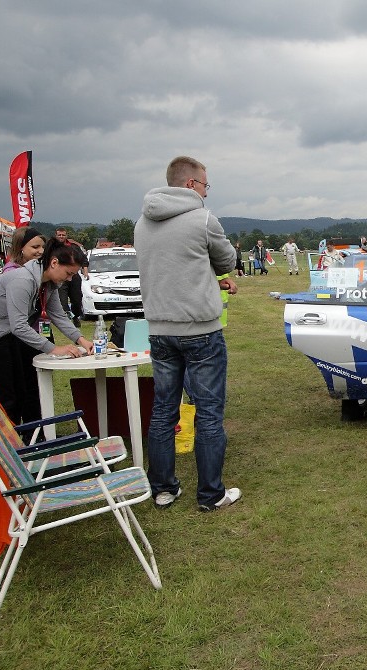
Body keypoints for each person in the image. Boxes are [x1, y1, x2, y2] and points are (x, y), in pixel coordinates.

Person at [133, 155, 240, 512]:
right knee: (208, 412)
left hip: (160, 329)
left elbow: (169, 266)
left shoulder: (141, 223)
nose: (207, 192)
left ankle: (163, 489)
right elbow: (227, 261)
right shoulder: (203, 219)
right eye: (206, 185)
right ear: (192, 184)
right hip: (201, 330)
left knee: (164, 410)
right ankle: (210, 494)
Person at [0, 241, 93, 425]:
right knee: (5, 397)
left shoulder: (49, 284)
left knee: (21, 391)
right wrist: (54, 349)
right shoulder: (22, 280)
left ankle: (20, 436)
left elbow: (58, 315)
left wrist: (81, 340)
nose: (70, 279)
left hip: (6, 336)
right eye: (68, 273)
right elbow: (19, 326)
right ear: (54, 263)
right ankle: (5, 440)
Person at [53, 227, 87, 326]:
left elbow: (82, 258)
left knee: (77, 300)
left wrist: (85, 269)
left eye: (63, 235)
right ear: (56, 236)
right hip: (60, 278)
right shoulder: (52, 247)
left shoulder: (73, 247)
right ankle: (67, 321)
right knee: (62, 301)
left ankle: (76, 316)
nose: (61, 237)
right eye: (59, 235)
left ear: (66, 236)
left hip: (73, 276)